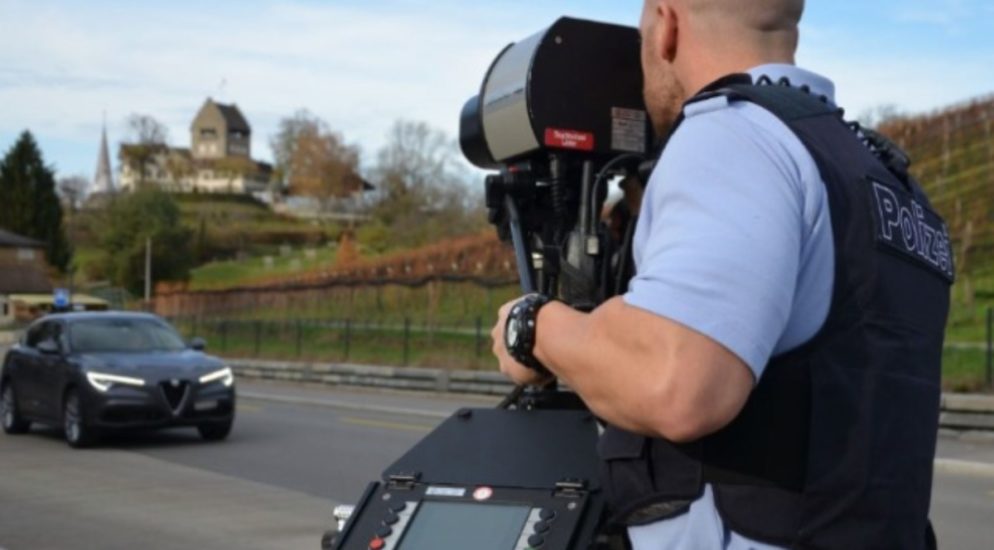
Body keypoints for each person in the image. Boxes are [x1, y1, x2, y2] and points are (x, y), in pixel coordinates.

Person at [491, 0, 952, 548]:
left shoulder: (731, 134)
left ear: (666, 25)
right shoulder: (881, 175)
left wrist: (534, 327)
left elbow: (676, 383)